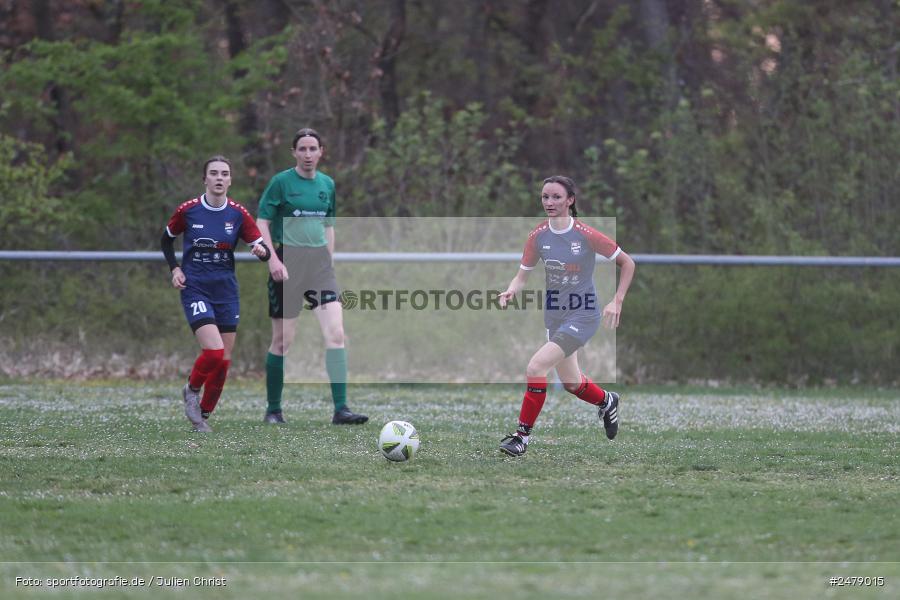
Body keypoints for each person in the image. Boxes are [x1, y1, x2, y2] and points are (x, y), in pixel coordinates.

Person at [497, 175, 636, 456]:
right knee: (572, 383)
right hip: (554, 315)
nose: (549, 202)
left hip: (583, 313)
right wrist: (510, 290)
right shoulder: (538, 236)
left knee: (536, 368)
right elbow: (522, 276)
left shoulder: (585, 234)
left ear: (570, 200)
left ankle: (521, 437)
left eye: (556, 197)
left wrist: (617, 300)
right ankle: (607, 401)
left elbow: (627, 263)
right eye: (545, 197)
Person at [255, 128, 368, 425]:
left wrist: (328, 261)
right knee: (282, 341)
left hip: (319, 266)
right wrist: (272, 260)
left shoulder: (327, 184)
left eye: (312, 149)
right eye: (302, 149)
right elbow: (261, 222)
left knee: (336, 334)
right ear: (294, 152)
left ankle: (341, 410)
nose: (307, 155)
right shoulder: (280, 183)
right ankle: (273, 410)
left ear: (321, 152)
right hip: (288, 262)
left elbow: (329, 225)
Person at [161, 156, 271, 432]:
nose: (219, 178)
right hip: (195, 287)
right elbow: (166, 238)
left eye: (224, 174)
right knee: (213, 351)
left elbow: (262, 247)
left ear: (230, 180)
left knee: (223, 362)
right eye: (214, 173)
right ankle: (191, 390)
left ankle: (202, 417)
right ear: (205, 179)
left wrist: (261, 252)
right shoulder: (188, 211)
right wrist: (175, 269)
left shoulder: (237, 214)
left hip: (226, 291)